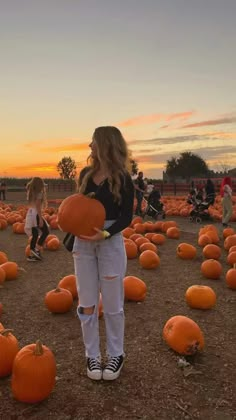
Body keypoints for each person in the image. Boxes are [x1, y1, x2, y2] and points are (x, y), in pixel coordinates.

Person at [72, 126, 134, 381]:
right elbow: (78, 207)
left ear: (106, 144)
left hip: (109, 241)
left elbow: (126, 217)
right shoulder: (86, 174)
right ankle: (92, 355)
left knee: (112, 304)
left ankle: (116, 354)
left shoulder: (123, 177)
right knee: (87, 304)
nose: (90, 146)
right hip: (83, 243)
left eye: (94, 141)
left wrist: (105, 234)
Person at [24, 177, 50, 261]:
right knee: (45, 231)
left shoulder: (30, 192)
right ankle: (37, 250)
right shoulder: (39, 193)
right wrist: (40, 218)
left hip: (30, 213)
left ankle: (32, 253)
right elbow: (38, 206)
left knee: (35, 233)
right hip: (35, 214)